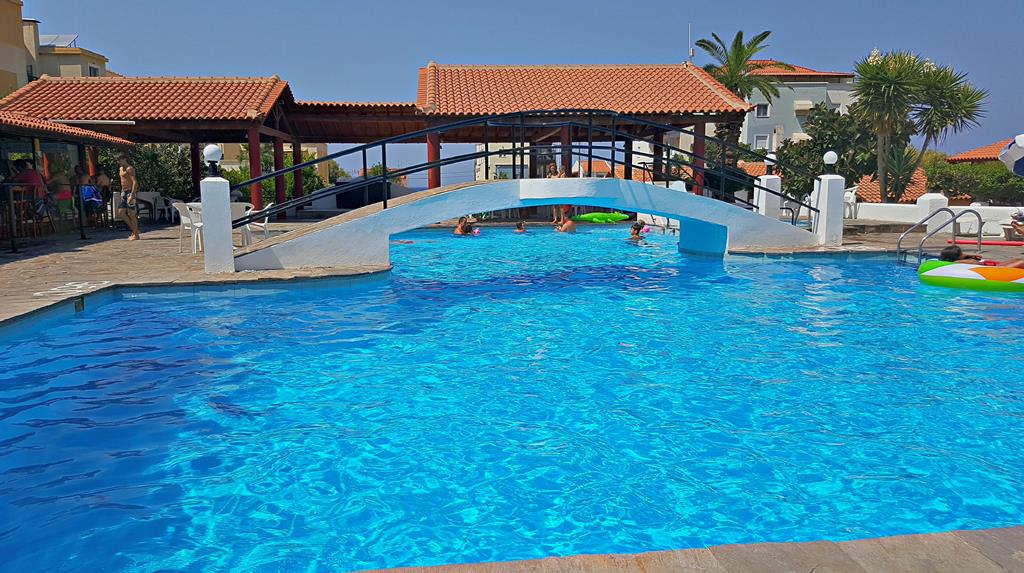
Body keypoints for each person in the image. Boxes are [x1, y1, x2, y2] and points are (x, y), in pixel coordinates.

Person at [117, 155, 141, 240]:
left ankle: (136, 235)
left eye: (119, 160)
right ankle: (135, 230)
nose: (118, 162)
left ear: (124, 159)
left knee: (131, 214)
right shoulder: (120, 169)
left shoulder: (129, 169)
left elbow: (135, 182)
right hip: (124, 193)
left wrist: (132, 194)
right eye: (117, 160)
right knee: (121, 213)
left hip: (130, 192)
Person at [939, 245, 1024, 268]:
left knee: (1017, 259)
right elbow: (977, 263)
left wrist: (968, 255)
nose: (963, 254)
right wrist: (967, 258)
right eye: (961, 253)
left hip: (993, 267)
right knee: (1021, 262)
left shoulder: (960, 259)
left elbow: (979, 256)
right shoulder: (957, 262)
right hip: (994, 270)